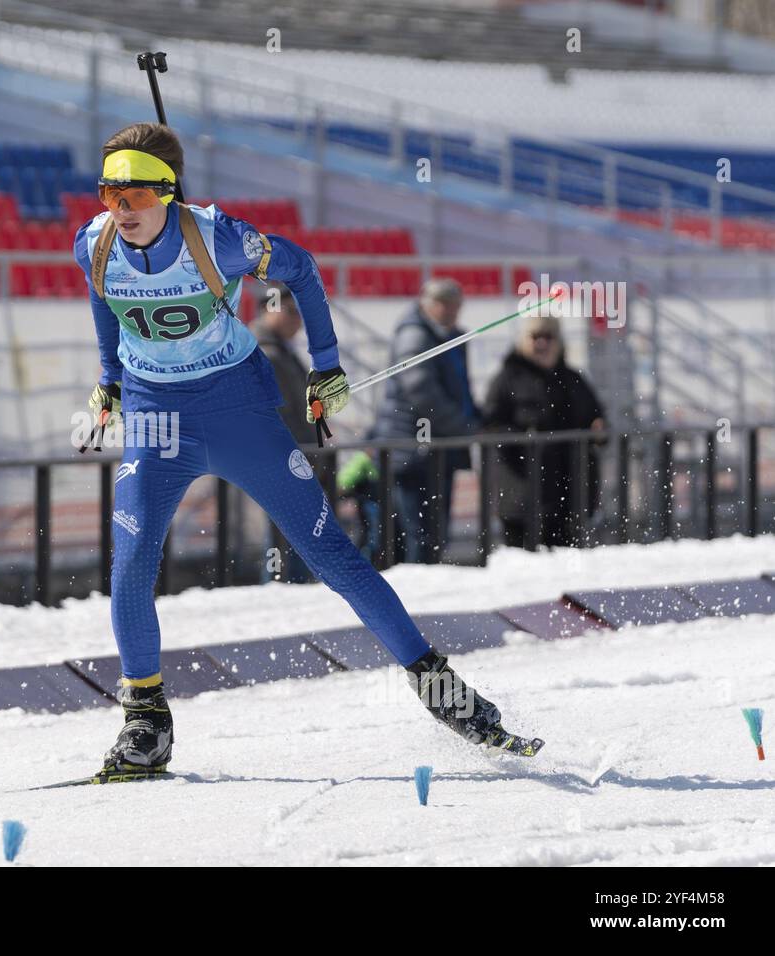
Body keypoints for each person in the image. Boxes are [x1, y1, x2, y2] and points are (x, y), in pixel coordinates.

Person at [74, 123, 540, 778]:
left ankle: (441, 689)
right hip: (156, 416)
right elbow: (102, 298)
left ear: (168, 191)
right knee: (131, 557)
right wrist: (109, 378)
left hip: (236, 410)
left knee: (328, 552)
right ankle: (145, 722)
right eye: (109, 196)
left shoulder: (221, 237)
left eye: (136, 197)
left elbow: (303, 271)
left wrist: (326, 367)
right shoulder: (93, 243)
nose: (121, 213)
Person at [370, 278, 480, 564]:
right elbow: (421, 391)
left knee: (433, 532)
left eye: (455, 304)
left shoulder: (447, 335)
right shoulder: (416, 335)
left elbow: (458, 390)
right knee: (419, 533)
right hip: (413, 448)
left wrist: (475, 419)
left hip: (434, 447)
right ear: (425, 302)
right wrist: (463, 427)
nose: (450, 310)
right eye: (442, 303)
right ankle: (414, 600)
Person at [482, 314, 606, 548]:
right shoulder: (507, 379)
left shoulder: (573, 379)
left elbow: (597, 419)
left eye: (548, 337)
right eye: (535, 336)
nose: (542, 343)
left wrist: (599, 431)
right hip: (523, 496)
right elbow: (490, 426)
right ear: (523, 340)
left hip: (571, 496)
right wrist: (525, 440)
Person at [253, 282, 315, 583]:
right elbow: (279, 415)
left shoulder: (280, 351)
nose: (298, 320)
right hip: (282, 459)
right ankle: (280, 589)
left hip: (292, 456)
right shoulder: (267, 353)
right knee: (282, 535)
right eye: (291, 312)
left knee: (293, 534)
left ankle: (289, 586)